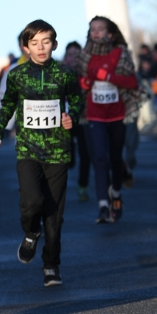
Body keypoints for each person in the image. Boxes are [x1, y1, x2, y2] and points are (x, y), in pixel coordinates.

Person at [0, 19, 82, 286]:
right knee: (32, 202)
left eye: (46, 42)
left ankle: (51, 265)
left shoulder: (65, 73)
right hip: (28, 149)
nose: (40, 48)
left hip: (57, 150)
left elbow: (77, 100)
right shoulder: (17, 75)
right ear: (26, 47)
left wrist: (72, 117)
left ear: (54, 44)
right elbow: (7, 105)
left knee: (54, 213)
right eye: (34, 43)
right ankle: (31, 233)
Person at [77, 16, 138, 224]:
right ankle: (103, 205)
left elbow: (132, 82)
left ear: (110, 33)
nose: (96, 33)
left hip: (117, 112)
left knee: (115, 157)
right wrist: (87, 81)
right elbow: (79, 82)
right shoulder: (85, 56)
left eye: (100, 29)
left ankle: (117, 193)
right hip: (94, 113)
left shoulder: (120, 53)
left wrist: (108, 77)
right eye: (92, 29)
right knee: (99, 158)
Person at [61, 41, 91, 199]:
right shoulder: (59, 74)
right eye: (70, 55)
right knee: (68, 155)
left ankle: (82, 186)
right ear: (65, 57)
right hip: (65, 120)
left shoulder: (87, 73)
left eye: (76, 55)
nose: (73, 59)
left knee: (86, 154)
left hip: (83, 119)